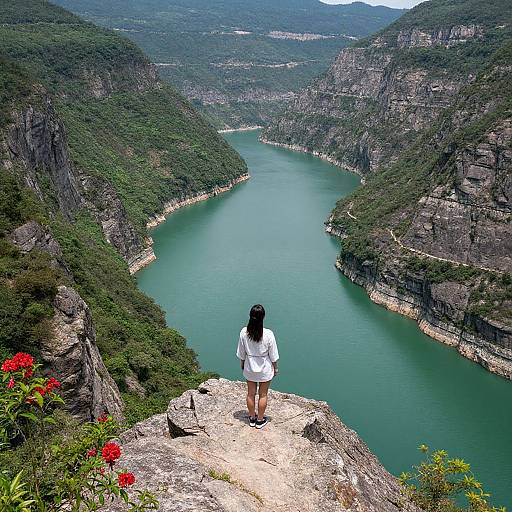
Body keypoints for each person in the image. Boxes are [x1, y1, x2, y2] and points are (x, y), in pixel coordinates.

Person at [236, 304, 279, 429]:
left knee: (250, 394)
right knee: (263, 394)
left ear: (250, 316)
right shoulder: (268, 334)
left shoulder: (244, 332)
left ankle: (252, 418)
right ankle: (260, 420)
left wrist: (243, 364)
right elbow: (273, 355)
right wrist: (275, 368)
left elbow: (241, 352)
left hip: (250, 366)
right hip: (264, 368)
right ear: (263, 317)